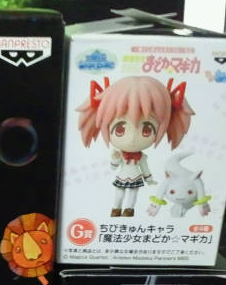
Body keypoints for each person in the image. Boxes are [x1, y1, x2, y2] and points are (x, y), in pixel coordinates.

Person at [77, 76, 194, 217]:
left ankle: (129, 210)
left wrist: (149, 179)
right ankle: (116, 209)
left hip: (136, 177)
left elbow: (145, 168)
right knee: (119, 194)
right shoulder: (121, 154)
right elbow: (114, 167)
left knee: (132, 195)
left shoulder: (142, 157)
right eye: (120, 129)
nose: (132, 139)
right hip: (122, 176)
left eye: (147, 130)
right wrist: (115, 158)